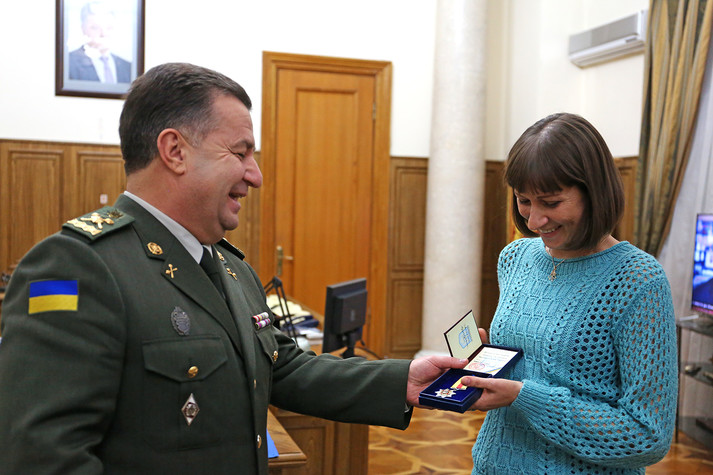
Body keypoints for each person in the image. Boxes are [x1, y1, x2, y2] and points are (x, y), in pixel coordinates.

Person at [0, 62, 468, 474]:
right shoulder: (76, 266)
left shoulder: (228, 265)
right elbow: (42, 455)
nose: (255, 175)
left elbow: (283, 368)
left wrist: (402, 380)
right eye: (240, 152)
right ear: (175, 151)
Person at [460, 113, 677, 474]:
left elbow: (646, 437)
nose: (533, 221)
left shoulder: (638, 279)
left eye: (551, 203)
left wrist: (524, 397)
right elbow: (533, 365)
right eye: (523, 200)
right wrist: (487, 360)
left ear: (594, 193)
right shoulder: (515, 257)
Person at [68, 1, 132, 83]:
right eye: (95, 28)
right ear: (83, 29)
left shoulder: (128, 67)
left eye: (109, 27)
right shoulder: (68, 63)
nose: (103, 34)